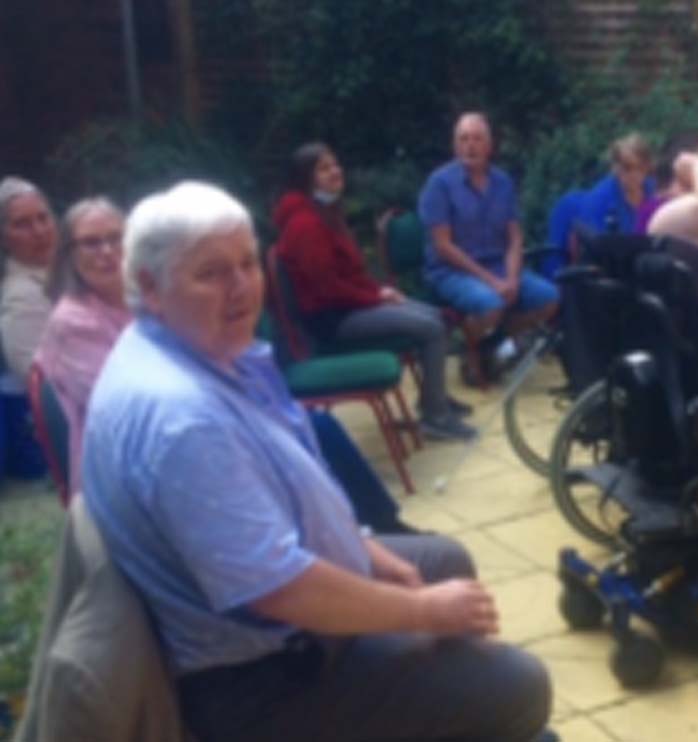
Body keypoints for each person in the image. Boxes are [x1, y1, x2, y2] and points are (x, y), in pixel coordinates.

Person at [81, 181, 552, 742]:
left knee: (441, 559)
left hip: (274, 625)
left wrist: (368, 551)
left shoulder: (186, 349)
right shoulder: (181, 419)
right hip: (261, 684)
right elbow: (280, 589)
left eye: (248, 263)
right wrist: (423, 612)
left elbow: (289, 489)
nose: (241, 289)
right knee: (522, 687)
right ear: (149, 288)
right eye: (210, 273)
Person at [36, 196, 416, 532]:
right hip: (139, 467)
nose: (106, 251)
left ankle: (375, 528)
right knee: (288, 438)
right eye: (90, 242)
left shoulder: (147, 298)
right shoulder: (73, 322)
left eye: (115, 238)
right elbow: (142, 403)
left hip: (196, 418)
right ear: (69, 254)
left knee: (313, 425)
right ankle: (359, 539)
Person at [274, 142, 475, 441]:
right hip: (334, 322)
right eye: (324, 168)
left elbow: (349, 274)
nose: (335, 171)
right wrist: (376, 298)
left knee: (435, 315)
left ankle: (433, 399)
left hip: (352, 307)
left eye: (335, 164)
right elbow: (328, 290)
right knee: (431, 328)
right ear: (306, 178)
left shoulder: (325, 213)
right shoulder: (305, 224)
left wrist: (380, 291)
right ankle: (435, 418)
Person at [419, 111, 559, 374]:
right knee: (491, 303)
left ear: (489, 145)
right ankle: (469, 347)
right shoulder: (439, 185)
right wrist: (493, 282)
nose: (470, 146)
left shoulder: (503, 182)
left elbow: (515, 236)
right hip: (452, 271)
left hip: (497, 265)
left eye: (477, 139)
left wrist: (513, 277)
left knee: (549, 299)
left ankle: (490, 344)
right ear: (454, 145)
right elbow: (443, 246)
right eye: (463, 139)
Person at [0, 176, 56, 480]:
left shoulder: (64, 271)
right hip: (38, 424)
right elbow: (38, 379)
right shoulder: (21, 295)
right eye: (22, 224)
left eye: (42, 218)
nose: (39, 231)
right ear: (3, 238)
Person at [577, 132, 654, 236]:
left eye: (641, 167)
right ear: (615, 167)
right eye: (627, 167)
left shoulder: (654, 189)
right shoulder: (598, 200)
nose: (635, 174)